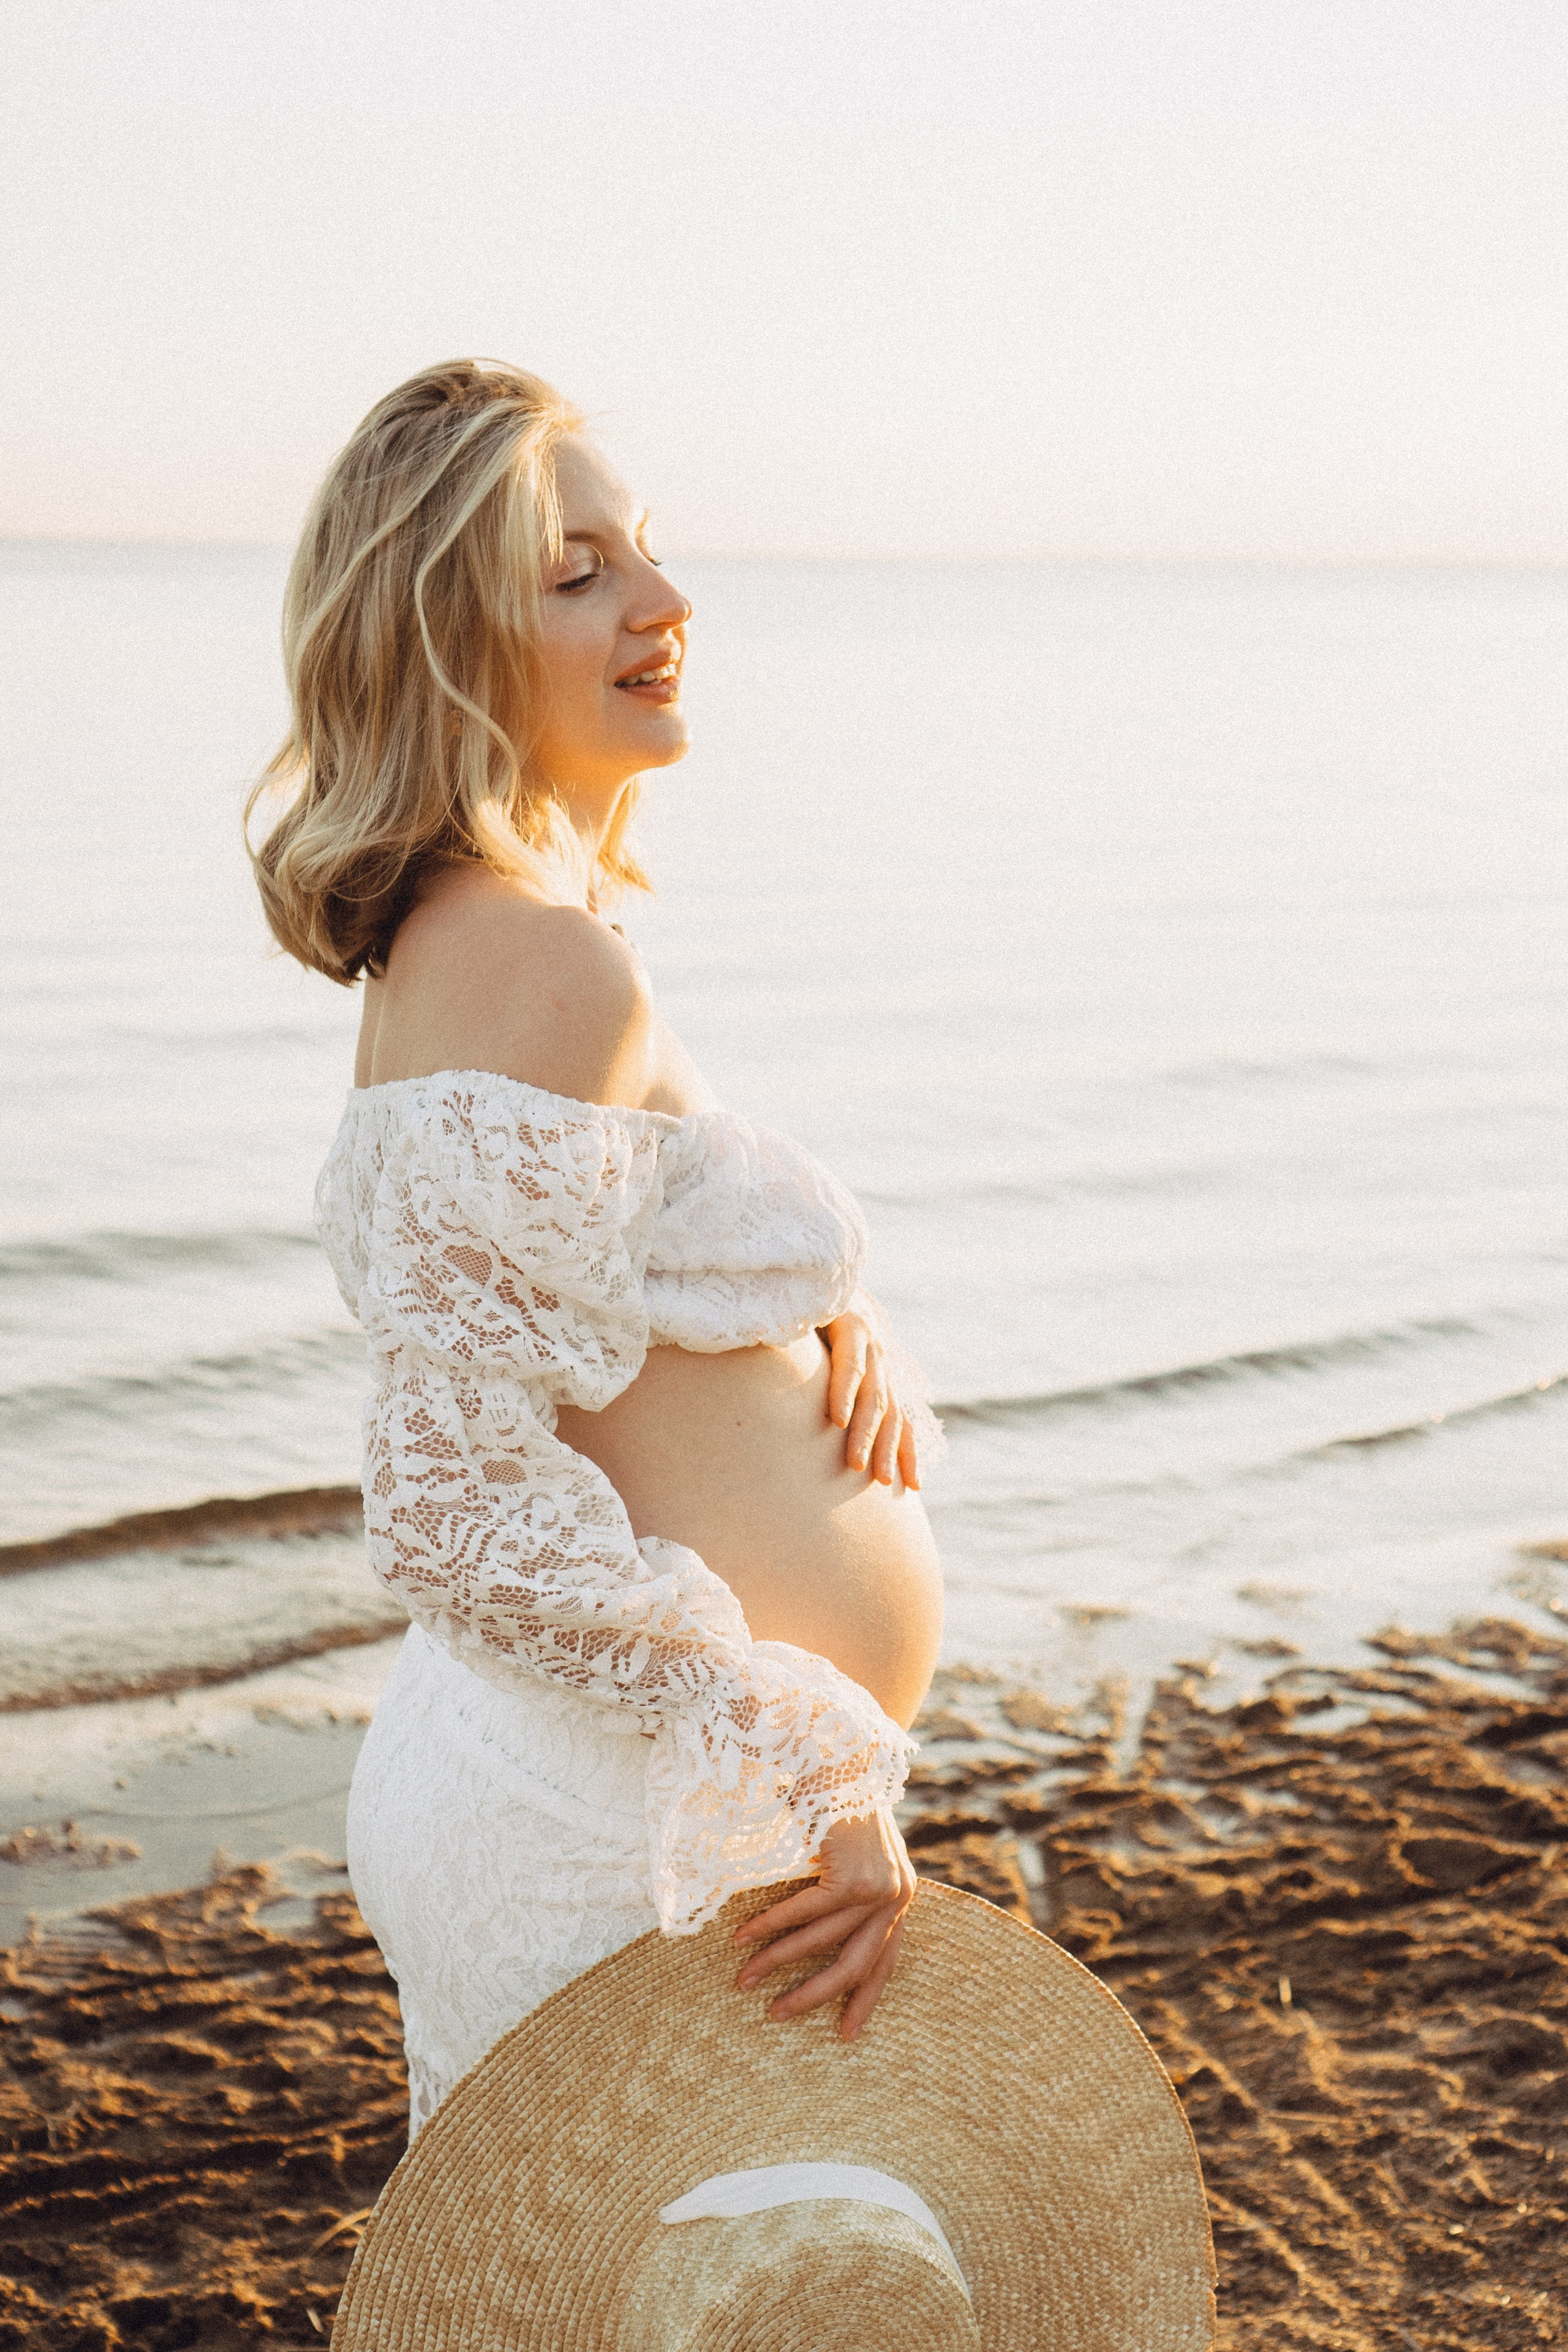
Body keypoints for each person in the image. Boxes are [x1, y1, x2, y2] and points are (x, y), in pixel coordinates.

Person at [247, 359, 946, 2138]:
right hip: (633, 1818)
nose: (664, 603)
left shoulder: (478, 944)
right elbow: (455, 1497)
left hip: (608, 1791)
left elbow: (563, 1349)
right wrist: (802, 1760)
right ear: (444, 643)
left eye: (643, 553)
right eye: (578, 574)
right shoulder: (540, 965)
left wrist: (812, 1321)